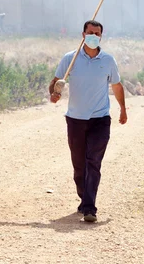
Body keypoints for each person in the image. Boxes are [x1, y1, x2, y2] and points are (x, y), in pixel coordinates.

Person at [49, 20, 127, 223]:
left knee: (93, 162)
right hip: (75, 120)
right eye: (90, 32)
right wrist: (54, 93)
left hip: (100, 119)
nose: (93, 35)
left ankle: (90, 208)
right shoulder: (70, 58)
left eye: (97, 33)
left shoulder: (108, 60)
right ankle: (84, 198)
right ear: (83, 34)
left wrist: (123, 110)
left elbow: (117, 86)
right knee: (79, 165)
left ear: (101, 36)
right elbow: (56, 82)